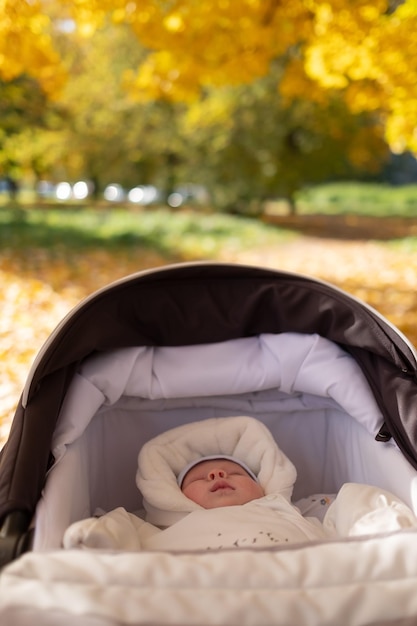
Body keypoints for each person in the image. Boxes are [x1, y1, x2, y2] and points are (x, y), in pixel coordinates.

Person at [63, 416, 417, 552]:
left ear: (263, 486)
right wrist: (101, 540)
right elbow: (116, 529)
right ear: (172, 497)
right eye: (200, 477)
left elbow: (353, 505)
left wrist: (387, 531)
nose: (217, 475)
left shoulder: (298, 511)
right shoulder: (149, 525)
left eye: (235, 472)